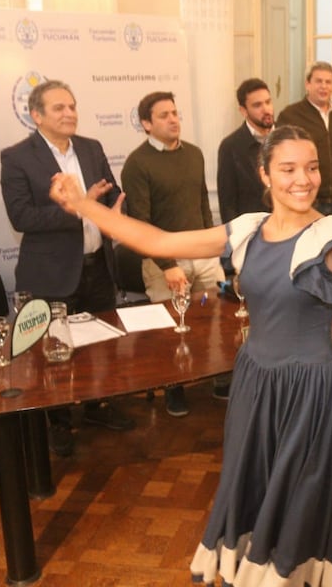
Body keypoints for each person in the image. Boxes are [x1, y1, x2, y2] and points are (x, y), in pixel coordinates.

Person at [49, 124, 332, 586]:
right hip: (255, 383)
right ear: (265, 175)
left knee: (306, 491)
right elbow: (158, 242)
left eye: (312, 168)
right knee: (261, 485)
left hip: (312, 391)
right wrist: (83, 206)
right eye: (288, 168)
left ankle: (299, 571)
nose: (303, 179)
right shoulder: (245, 229)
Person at [0, 79, 135, 457]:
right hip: (50, 273)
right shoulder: (17, 157)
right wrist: (77, 207)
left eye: (72, 106)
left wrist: (113, 208)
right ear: (36, 115)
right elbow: (21, 216)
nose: (69, 113)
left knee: (100, 344)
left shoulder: (91, 148)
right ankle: (57, 421)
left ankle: (97, 406)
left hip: (98, 266)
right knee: (52, 349)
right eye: (59, 108)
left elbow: (109, 192)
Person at [121, 90, 227, 418]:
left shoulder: (194, 154)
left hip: (204, 256)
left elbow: (201, 205)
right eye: (164, 115)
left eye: (175, 113)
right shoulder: (137, 164)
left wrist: (214, 245)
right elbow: (140, 222)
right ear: (146, 124)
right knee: (170, 328)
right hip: (165, 263)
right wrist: (167, 264)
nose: (173, 119)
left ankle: (218, 376)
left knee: (214, 318)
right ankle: (173, 386)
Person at [276, 61, 332, 215]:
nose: (324, 86)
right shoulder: (290, 115)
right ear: (307, 84)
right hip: (304, 199)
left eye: (328, 82)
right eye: (318, 81)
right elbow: (279, 158)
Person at [217, 78, 273, 225]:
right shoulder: (231, 146)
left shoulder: (287, 138)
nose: (266, 109)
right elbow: (227, 202)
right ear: (243, 110)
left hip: (287, 229)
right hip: (251, 232)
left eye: (268, 102)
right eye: (257, 105)